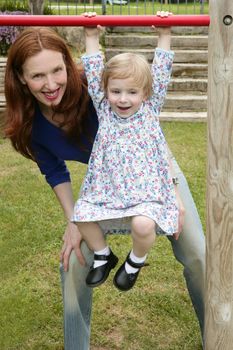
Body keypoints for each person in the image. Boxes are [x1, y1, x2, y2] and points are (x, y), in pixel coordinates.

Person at [3, 15, 205, 350]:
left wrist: (172, 191)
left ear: (69, 66)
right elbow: (54, 171)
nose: (50, 83)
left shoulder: (101, 91)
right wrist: (73, 220)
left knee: (197, 253)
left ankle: (218, 338)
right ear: (22, 79)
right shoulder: (31, 124)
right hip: (107, 189)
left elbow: (151, 130)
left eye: (57, 71)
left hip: (155, 173)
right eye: (37, 75)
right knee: (73, 262)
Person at [72, 14, 183, 292]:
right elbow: (96, 67)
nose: (123, 99)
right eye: (116, 91)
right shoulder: (105, 111)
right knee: (81, 215)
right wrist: (91, 37)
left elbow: (161, 71)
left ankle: (135, 261)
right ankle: (103, 255)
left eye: (132, 92)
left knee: (144, 226)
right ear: (105, 91)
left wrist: (164, 34)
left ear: (146, 93)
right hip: (108, 188)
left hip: (145, 191)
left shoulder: (150, 110)